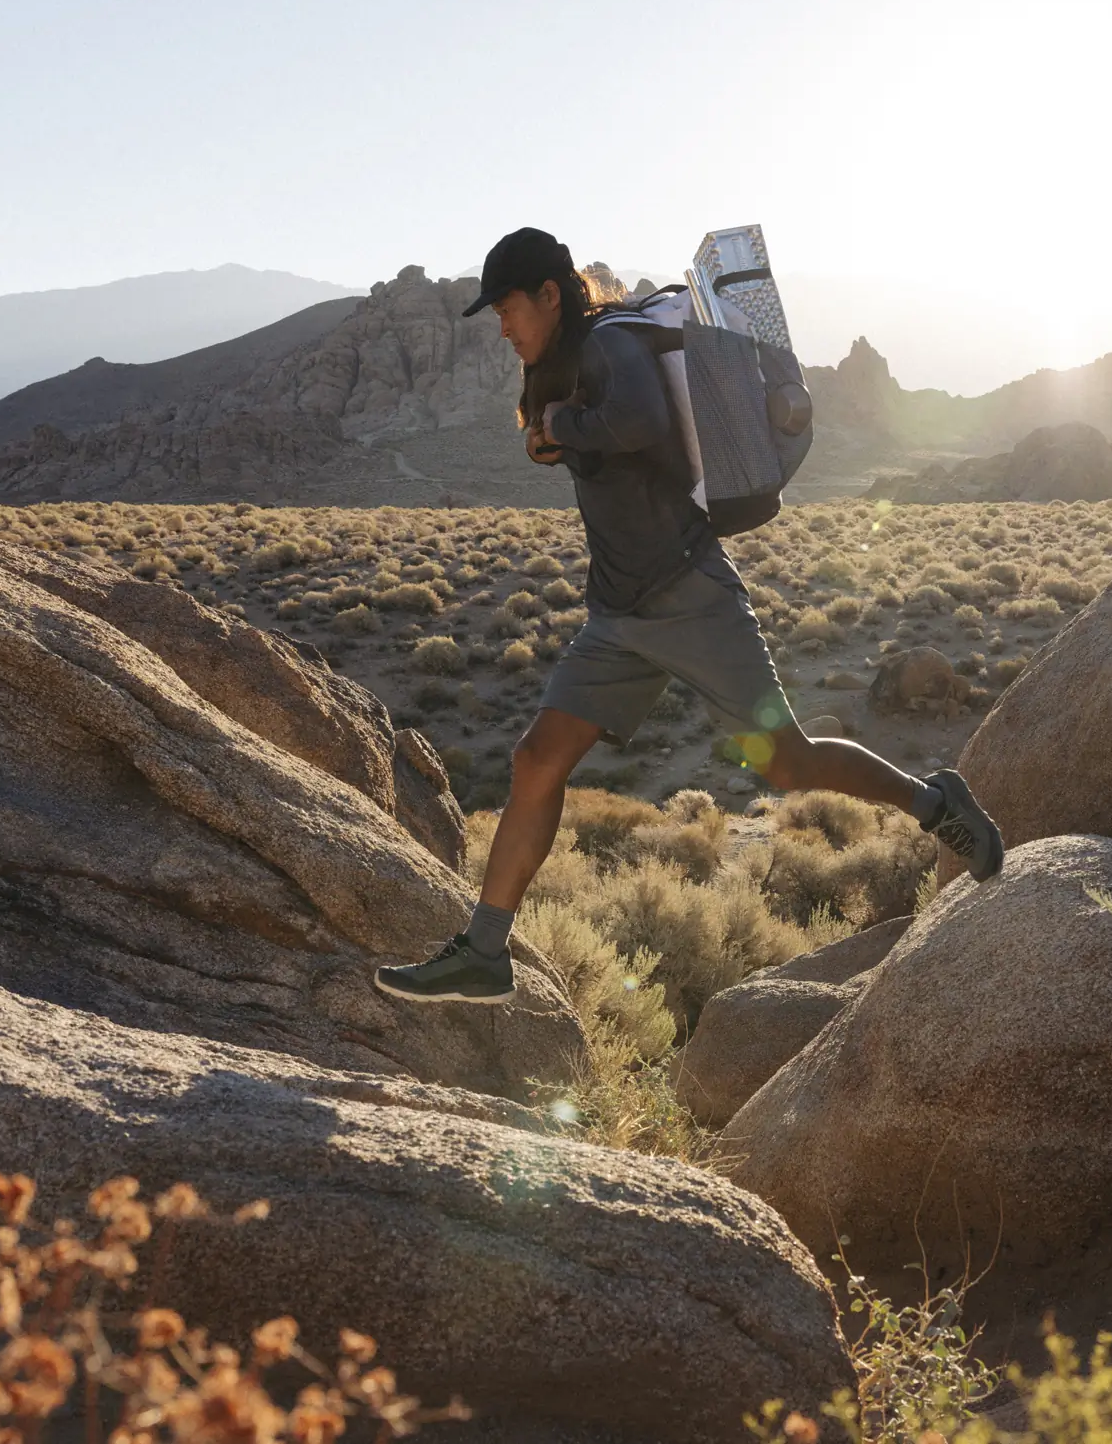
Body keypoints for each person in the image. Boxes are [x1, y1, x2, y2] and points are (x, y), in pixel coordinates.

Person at [375, 226, 1004, 1005]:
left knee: (786, 763)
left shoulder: (608, 345)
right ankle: (484, 950)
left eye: (507, 308)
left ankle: (936, 801)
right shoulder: (565, 362)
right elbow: (599, 439)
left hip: (691, 597)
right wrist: (553, 432)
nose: (501, 327)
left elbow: (640, 419)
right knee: (537, 759)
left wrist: (561, 428)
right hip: (619, 615)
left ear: (548, 294)